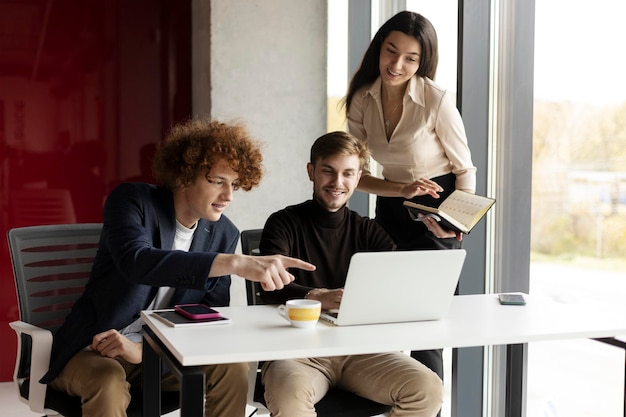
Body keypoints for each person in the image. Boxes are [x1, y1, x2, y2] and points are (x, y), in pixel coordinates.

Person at [40, 118, 315, 417]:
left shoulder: (224, 233)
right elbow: (138, 261)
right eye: (217, 181)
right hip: (93, 348)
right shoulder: (132, 201)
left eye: (234, 184)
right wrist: (234, 263)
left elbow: (207, 319)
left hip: (160, 353)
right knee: (107, 380)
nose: (229, 196)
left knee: (233, 368)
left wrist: (143, 351)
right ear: (186, 175)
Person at [259, 131, 443, 417]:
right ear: (311, 172)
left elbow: (402, 284)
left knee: (427, 388)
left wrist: (439, 233)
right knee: (289, 397)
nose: (337, 183)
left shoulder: (368, 230)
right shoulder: (283, 223)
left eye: (348, 174)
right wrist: (318, 297)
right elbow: (269, 288)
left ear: (358, 179)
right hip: (297, 354)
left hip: (364, 351)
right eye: (328, 172)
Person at [344, 10, 477, 398]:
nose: (397, 64)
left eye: (410, 58)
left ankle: (426, 408)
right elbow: (356, 174)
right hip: (390, 206)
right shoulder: (361, 98)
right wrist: (398, 191)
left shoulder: (436, 101)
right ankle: (389, 400)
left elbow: (464, 169)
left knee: (426, 330)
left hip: (438, 208)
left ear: (422, 62)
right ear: (379, 49)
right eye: (391, 51)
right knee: (382, 315)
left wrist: (456, 225)